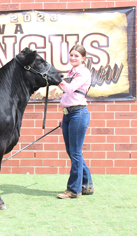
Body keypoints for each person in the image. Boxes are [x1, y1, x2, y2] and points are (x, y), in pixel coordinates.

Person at [57, 44, 94, 199]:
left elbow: (70, 89)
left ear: (83, 58)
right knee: (72, 152)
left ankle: (74, 190)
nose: (73, 58)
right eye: (71, 55)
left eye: (77, 56)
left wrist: (55, 79)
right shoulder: (72, 71)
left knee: (75, 152)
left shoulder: (83, 72)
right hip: (69, 114)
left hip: (78, 114)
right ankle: (87, 185)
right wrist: (64, 117)